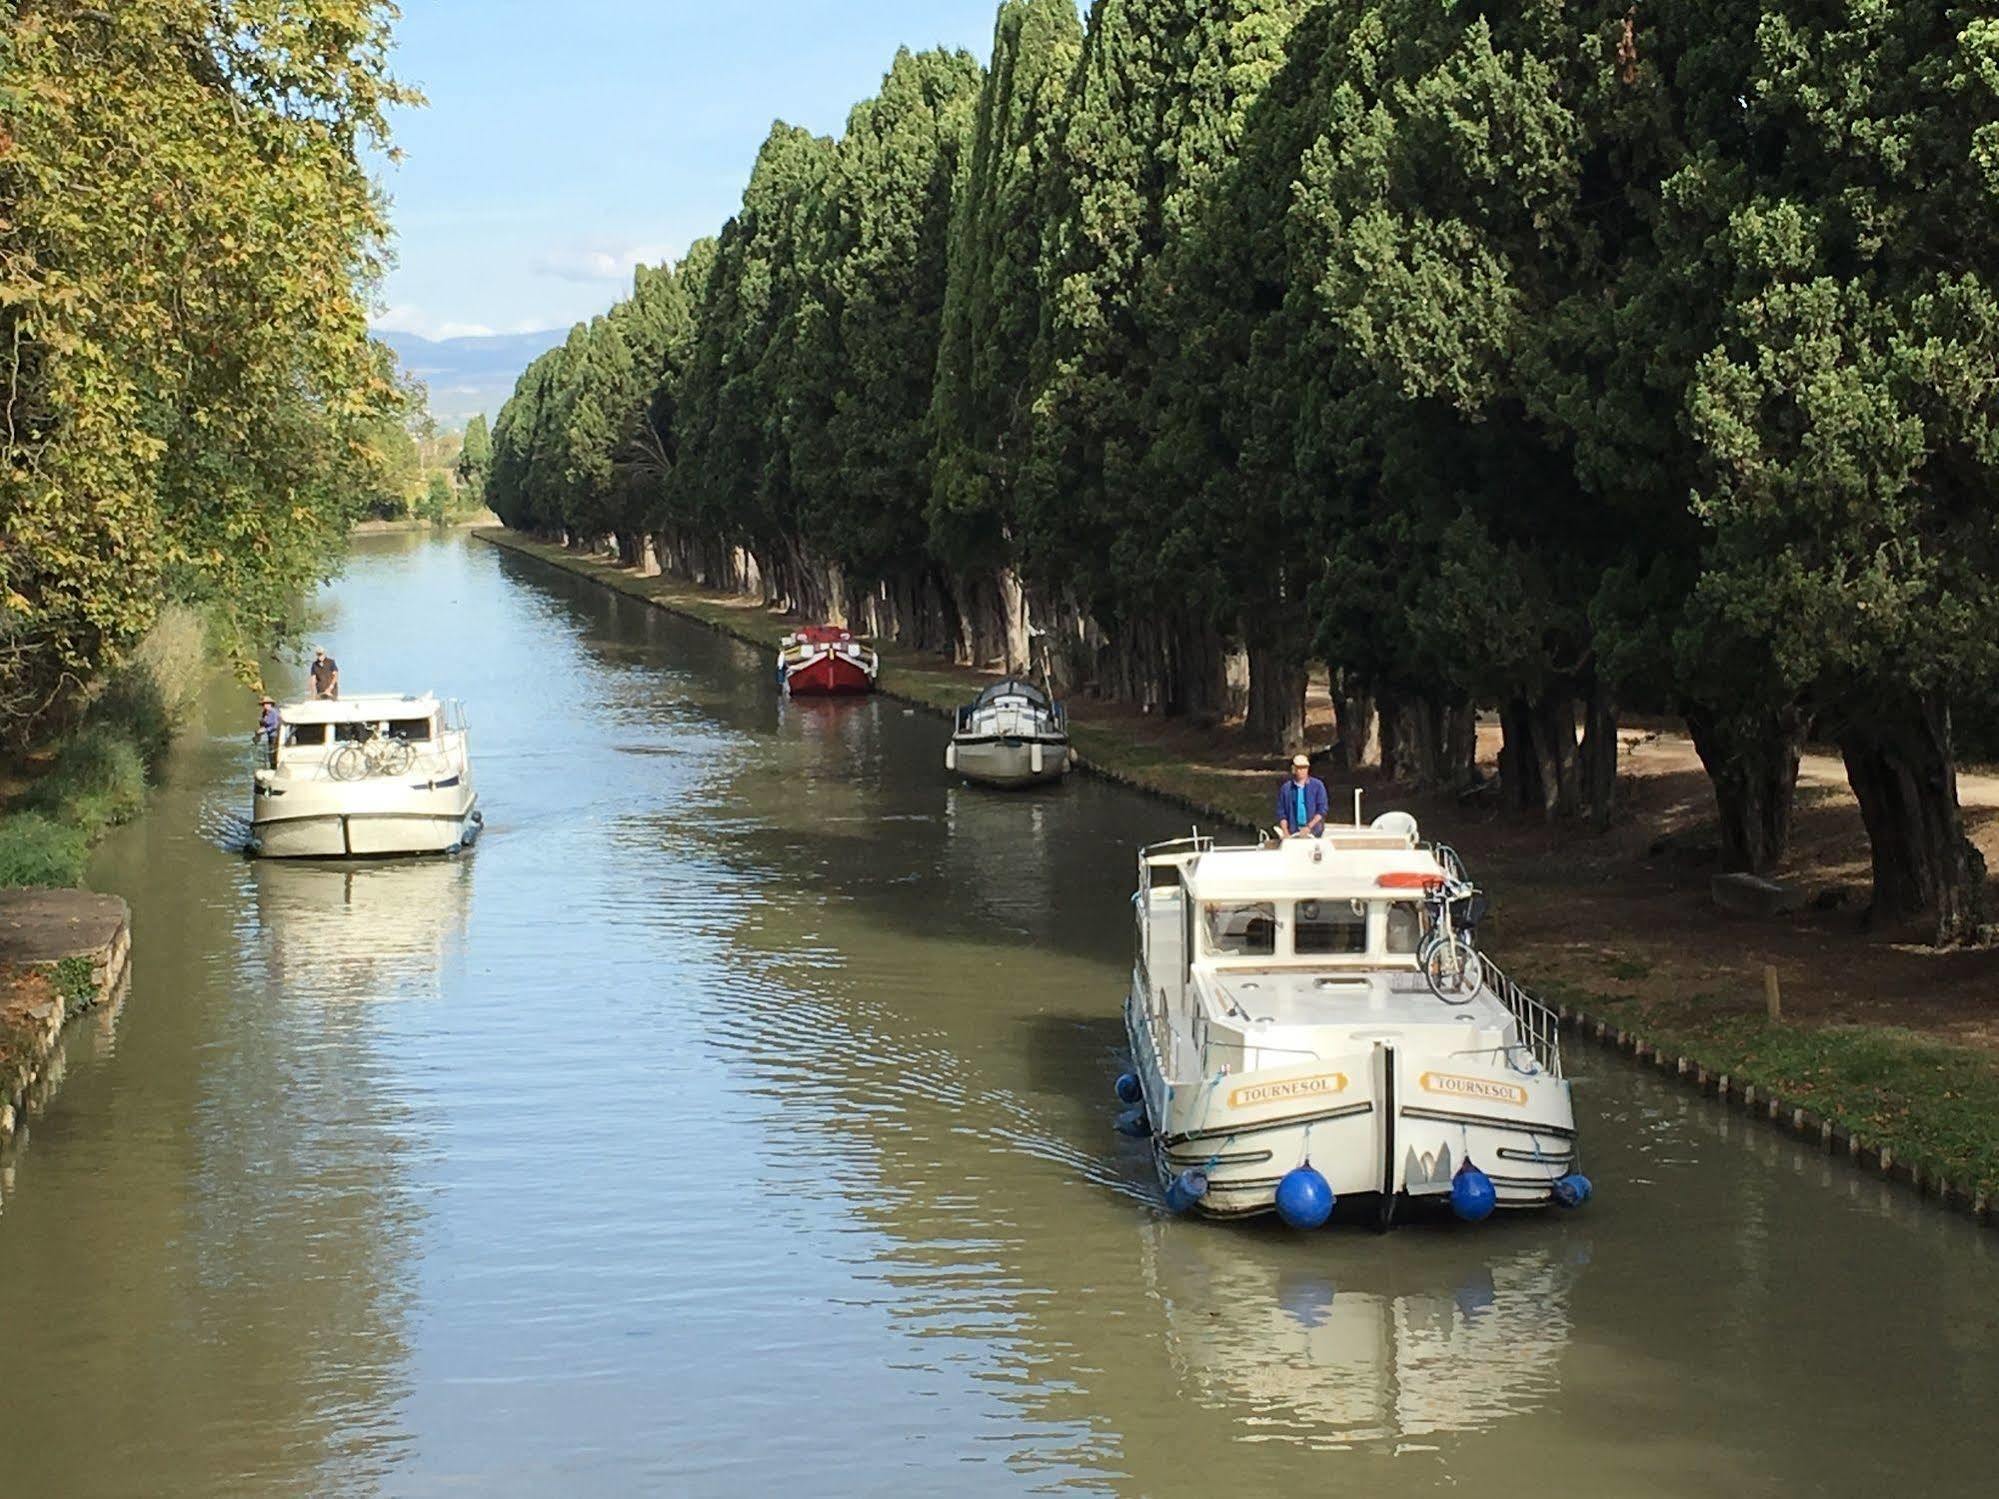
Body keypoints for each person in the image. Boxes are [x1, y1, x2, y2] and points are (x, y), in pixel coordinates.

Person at [1276, 752, 1328, 838]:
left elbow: (1322, 810)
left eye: (1305, 768)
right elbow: (1282, 813)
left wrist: (1308, 827)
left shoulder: (1318, 785)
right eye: (1299, 768)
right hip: (1293, 832)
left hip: (1314, 832)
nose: (1302, 770)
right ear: (1293, 769)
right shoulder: (1286, 788)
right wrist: (1285, 832)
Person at [253, 695, 280, 765]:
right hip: (269, 734)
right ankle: (271, 763)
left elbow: (275, 725)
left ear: (271, 704)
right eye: (264, 704)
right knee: (270, 749)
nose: (265, 705)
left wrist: (266, 730)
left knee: (273, 750)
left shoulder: (274, 712)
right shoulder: (264, 713)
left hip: (275, 735)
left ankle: (274, 764)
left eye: (267, 704)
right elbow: (263, 724)